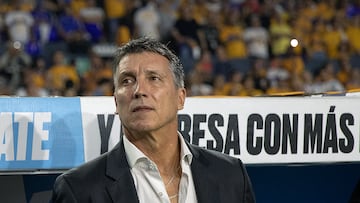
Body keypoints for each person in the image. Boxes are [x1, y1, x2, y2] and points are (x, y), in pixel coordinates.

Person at [51, 37, 255, 203]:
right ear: (116, 101)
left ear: (180, 97)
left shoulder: (231, 175)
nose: (139, 91)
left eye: (154, 78)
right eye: (127, 81)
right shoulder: (78, 190)